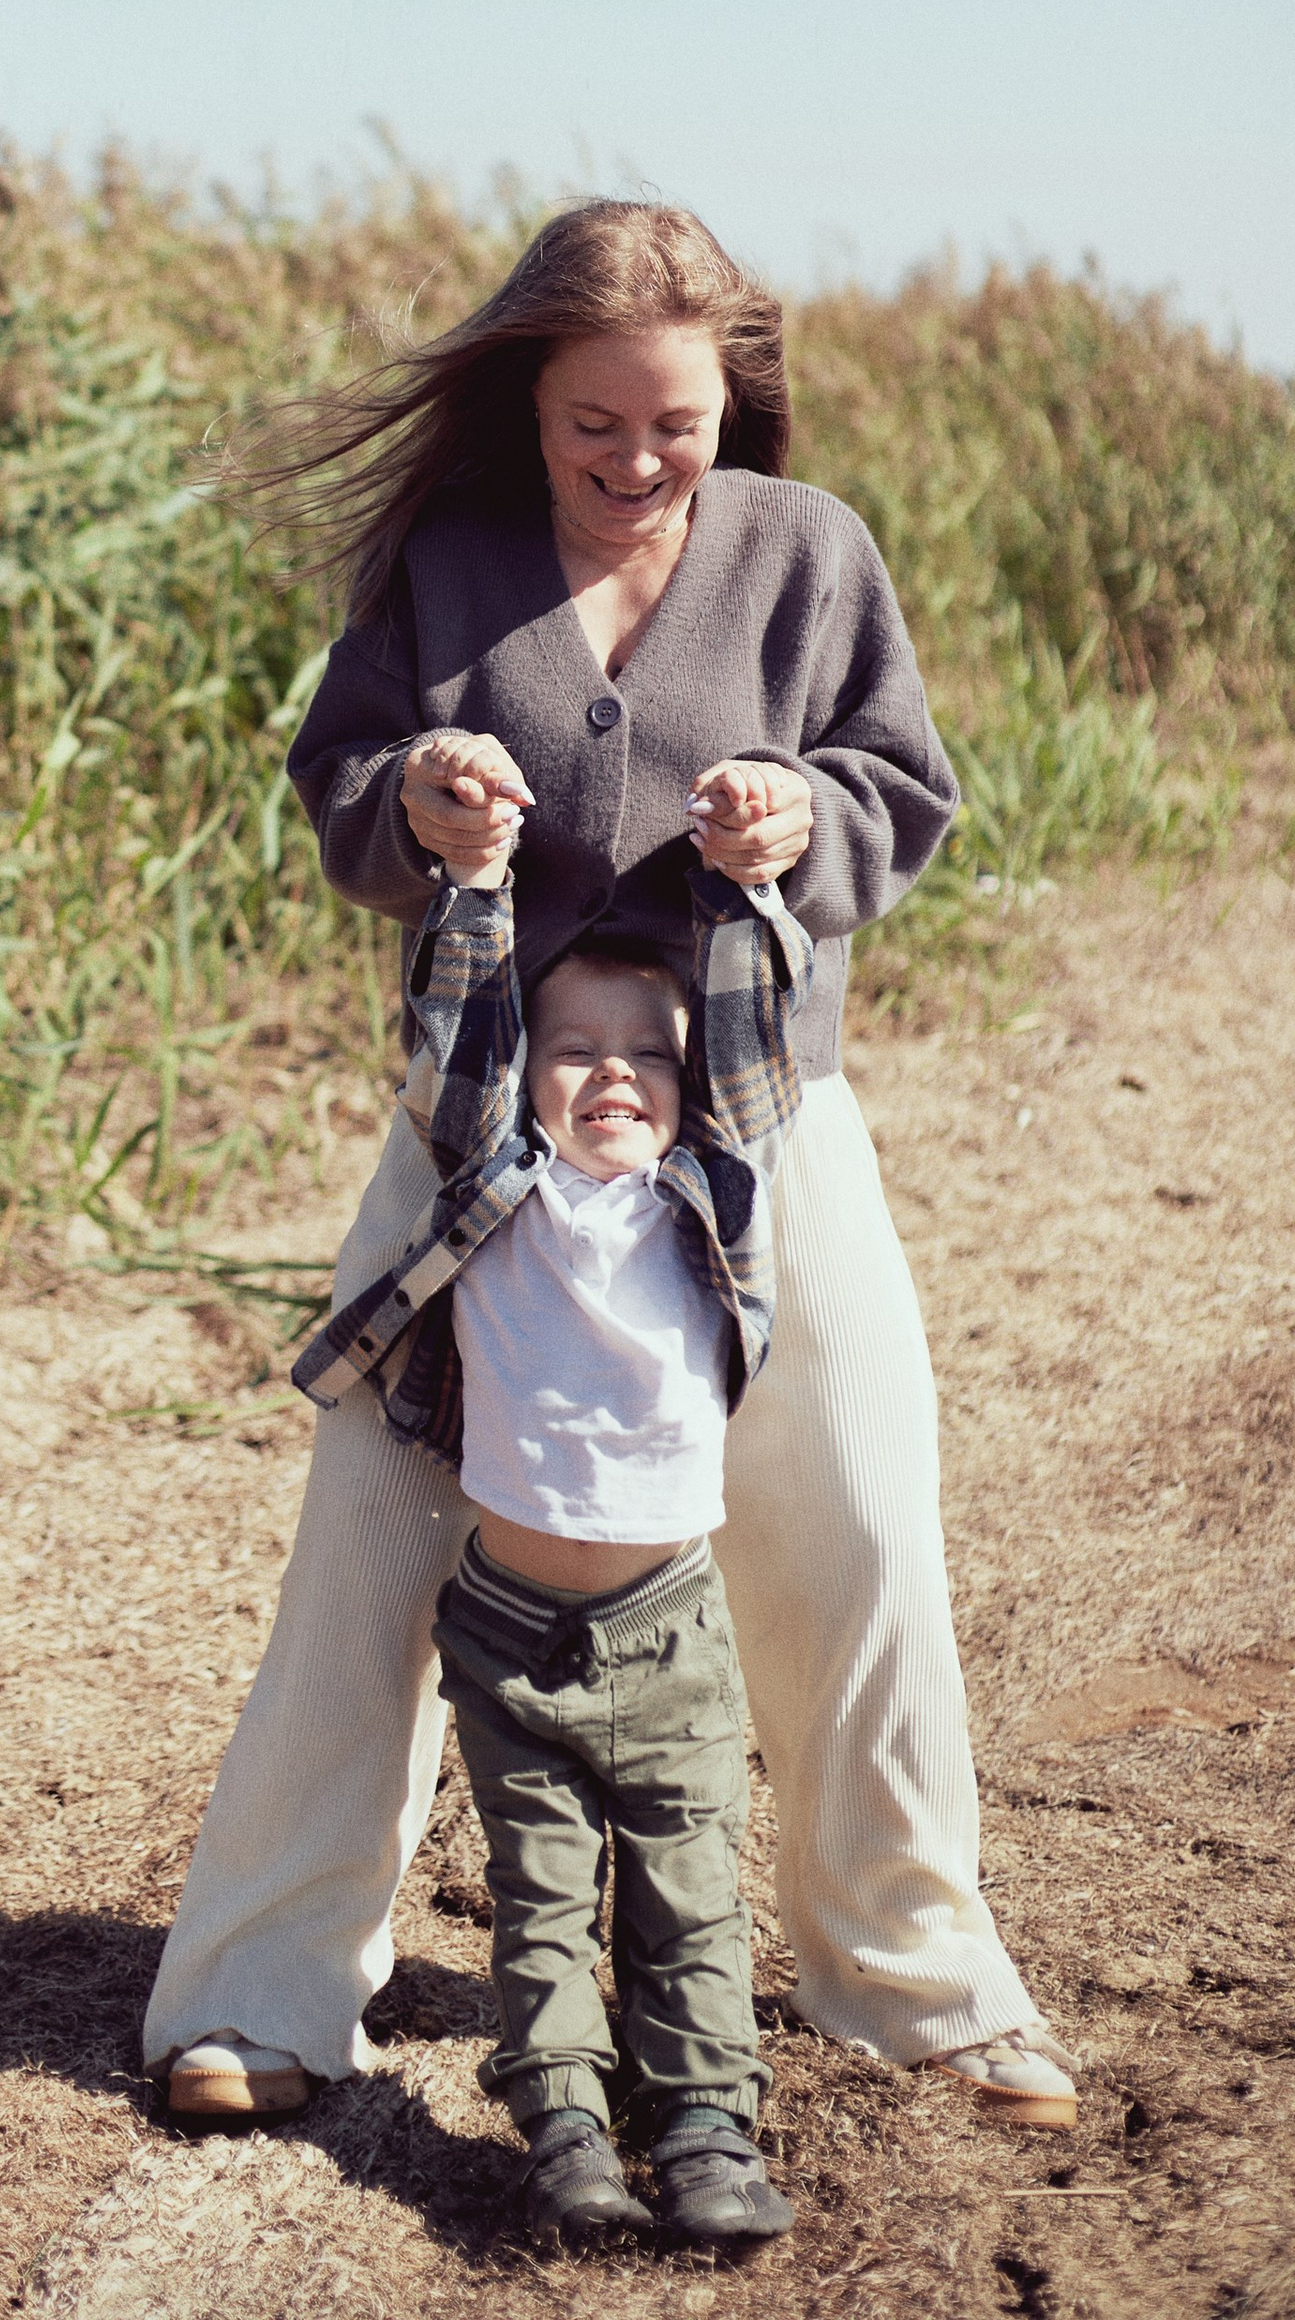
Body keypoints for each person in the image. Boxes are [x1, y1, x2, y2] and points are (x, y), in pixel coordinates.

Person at [149, 200, 1077, 2134]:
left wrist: (799, 815)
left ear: (732, 398)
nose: (643, 464)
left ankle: (915, 1977)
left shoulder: (811, 557)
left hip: (758, 1120)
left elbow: (905, 794)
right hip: (479, 1121)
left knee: (863, 1528)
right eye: (598, 429)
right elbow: (339, 785)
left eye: (681, 425)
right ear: (531, 404)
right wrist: (411, 796)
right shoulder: (448, 560)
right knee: (373, 1551)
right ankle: (264, 1986)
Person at [421, 923, 797, 2248]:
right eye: (575, 1052)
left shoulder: (712, 1201)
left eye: (649, 1054)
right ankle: (568, 2133)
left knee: (692, 1895)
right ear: (528, 1079)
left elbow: (754, 1049)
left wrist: (745, 891)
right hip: (510, 1641)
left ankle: (703, 2131)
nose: (616, 1074)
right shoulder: (496, 1189)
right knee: (541, 1900)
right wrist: (473, 887)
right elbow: (457, 1044)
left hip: (669, 1640)